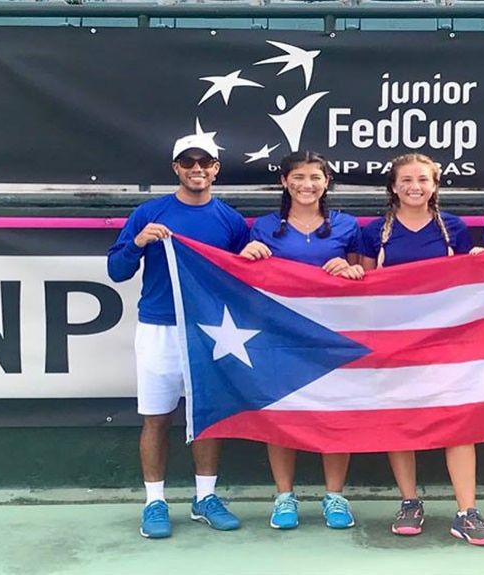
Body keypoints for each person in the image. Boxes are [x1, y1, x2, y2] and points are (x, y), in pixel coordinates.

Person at [107, 133, 250, 539]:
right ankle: (155, 502)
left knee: (207, 418)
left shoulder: (230, 221)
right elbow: (116, 270)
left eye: (205, 163)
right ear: (176, 169)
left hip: (211, 332)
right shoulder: (149, 214)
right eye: (188, 163)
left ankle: (205, 498)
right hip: (158, 327)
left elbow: (245, 275)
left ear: (216, 169)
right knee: (156, 417)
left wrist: (256, 256)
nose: (197, 169)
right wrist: (137, 243)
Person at [359, 153, 484, 547]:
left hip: (447, 342)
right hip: (394, 342)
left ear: (435, 185)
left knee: (458, 423)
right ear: (393, 186)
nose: (414, 186)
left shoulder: (452, 228)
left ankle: (466, 512)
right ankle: (409, 502)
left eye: (422, 179)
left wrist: (477, 261)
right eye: (406, 180)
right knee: (400, 421)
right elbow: (366, 287)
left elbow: (472, 281)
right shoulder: (375, 232)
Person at [238, 151, 364, 530]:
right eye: (298, 177)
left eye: (315, 177)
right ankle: (283, 496)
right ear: (284, 182)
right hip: (280, 336)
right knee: (282, 414)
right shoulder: (262, 227)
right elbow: (241, 283)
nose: (306, 185)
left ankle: (335, 496)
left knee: (335, 412)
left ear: (327, 183)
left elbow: (366, 277)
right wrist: (245, 257)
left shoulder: (347, 225)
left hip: (333, 335)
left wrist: (351, 268)